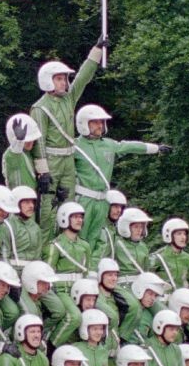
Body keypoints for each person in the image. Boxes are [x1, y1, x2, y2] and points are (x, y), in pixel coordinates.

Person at [71, 105, 166, 248]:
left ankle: (90, 269)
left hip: (103, 200)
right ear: (83, 124)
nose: (100, 126)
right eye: (95, 122)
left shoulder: (109, 144)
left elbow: (129, 146)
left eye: (101, 122)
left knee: (95, 238)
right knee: (79, 236)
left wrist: (155, 148)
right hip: (84, 199)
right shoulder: (75, 146)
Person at [29, 42, 105, 210]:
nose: (64, 82)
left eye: (64, 78)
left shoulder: (68, 99)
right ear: (48, 80)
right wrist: (43, 171)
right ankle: (46, 237)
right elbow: (39, 142)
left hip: (68, 159)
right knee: (47, 206)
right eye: (59, 79)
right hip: (51, 160)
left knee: (69, 204)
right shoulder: (40, 108)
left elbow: (83, 78)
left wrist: (97, 50)